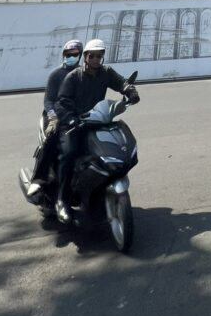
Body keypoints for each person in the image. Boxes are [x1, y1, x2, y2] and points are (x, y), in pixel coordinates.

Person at [54, 38, 139, 223]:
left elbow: (121, 83)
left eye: (99, 56)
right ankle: (62, 200)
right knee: (69, 154)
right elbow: (61, 103)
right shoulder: (74, 76)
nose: (95, 59)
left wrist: (130, 92)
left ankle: (98, 187)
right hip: (73, 125)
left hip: (96, 121)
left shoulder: (105, 72)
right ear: (86, 57)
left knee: (112, 146)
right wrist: (71, 118)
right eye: (92, 56)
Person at [27, 39, 83, 197]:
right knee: (50, 139)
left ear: (80, 55)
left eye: (74, 54)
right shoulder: (56, 74)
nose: (71, 57)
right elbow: (48, 100)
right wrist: (53, 118)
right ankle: (38, 179)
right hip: (54, 115)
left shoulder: (82, 73)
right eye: (68, 54)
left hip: (74, 114)